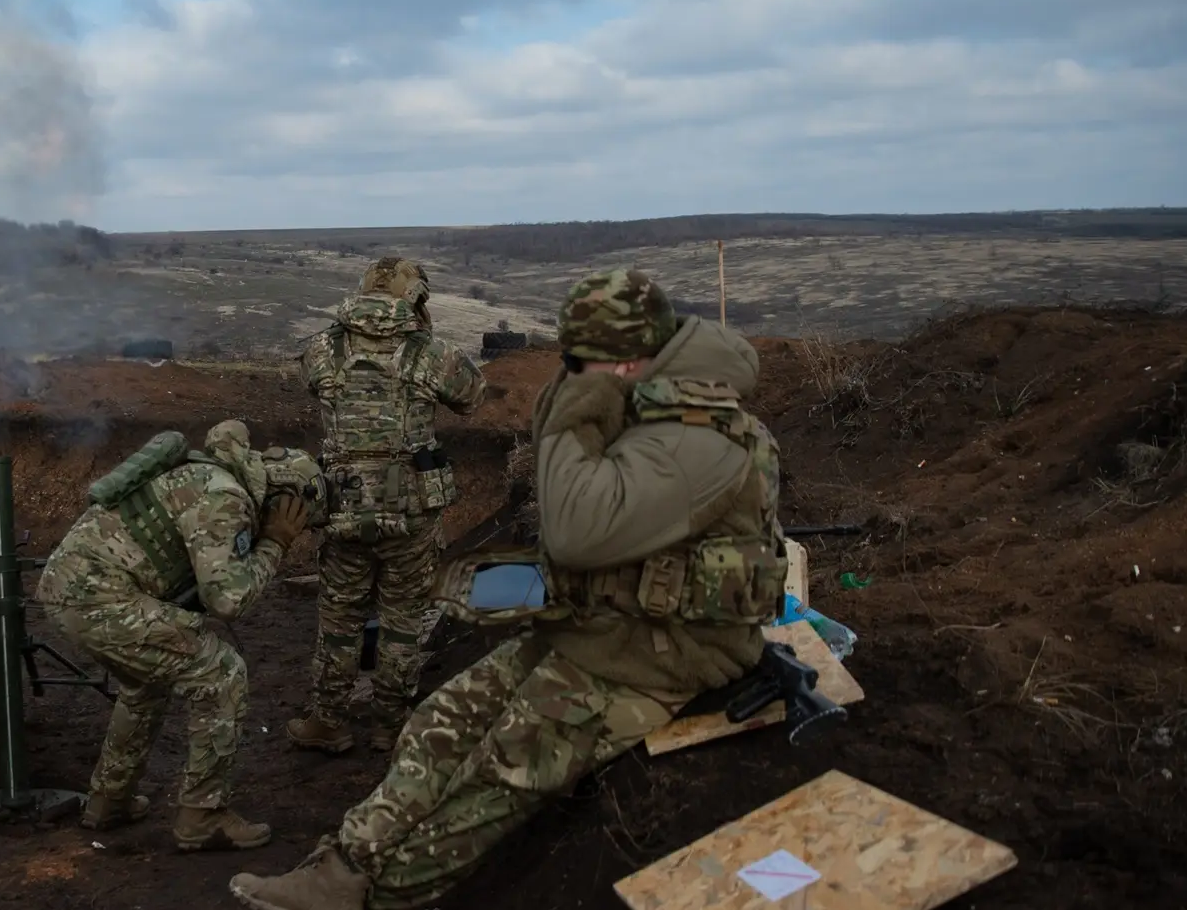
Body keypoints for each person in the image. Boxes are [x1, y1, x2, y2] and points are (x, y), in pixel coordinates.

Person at [229, 267, 787, 910]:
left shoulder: (700, 434)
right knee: (437, 721)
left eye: (589, 357)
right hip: (605, 630)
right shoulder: (649, 408)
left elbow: (577, 532)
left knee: (499, 768)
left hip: (663, 654)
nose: (578, 369)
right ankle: (343, 867)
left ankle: (385, 895)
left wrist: (580, 403)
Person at [35, 420, 330, 852]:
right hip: (99, 600)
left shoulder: (209, 472)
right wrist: (276, 544)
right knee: (222, 675)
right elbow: (229, 600)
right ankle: (202, 815)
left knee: (146, 684)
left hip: (73, 589)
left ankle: (108, 802)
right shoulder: (225, 496)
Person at [287, 257, 487, 756]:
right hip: (410, 509)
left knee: (339, 617)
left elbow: (312, 381)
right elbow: (472, 396)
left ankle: (328, 719)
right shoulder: (428, 353)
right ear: (414, 296)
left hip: (342, 506)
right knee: (403, 619)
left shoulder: (321, 348)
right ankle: (389, 724)